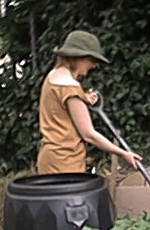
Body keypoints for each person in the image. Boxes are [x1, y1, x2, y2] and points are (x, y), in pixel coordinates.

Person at [36, 30, 142, 174]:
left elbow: (60, 110)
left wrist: (83, 98)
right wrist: (122, 153)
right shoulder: (70, 87)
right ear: (78, 57)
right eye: (92, 60)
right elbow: (89, 134)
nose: (94, 66)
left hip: (50, 159)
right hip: (66, 162)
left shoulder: (52, 76)